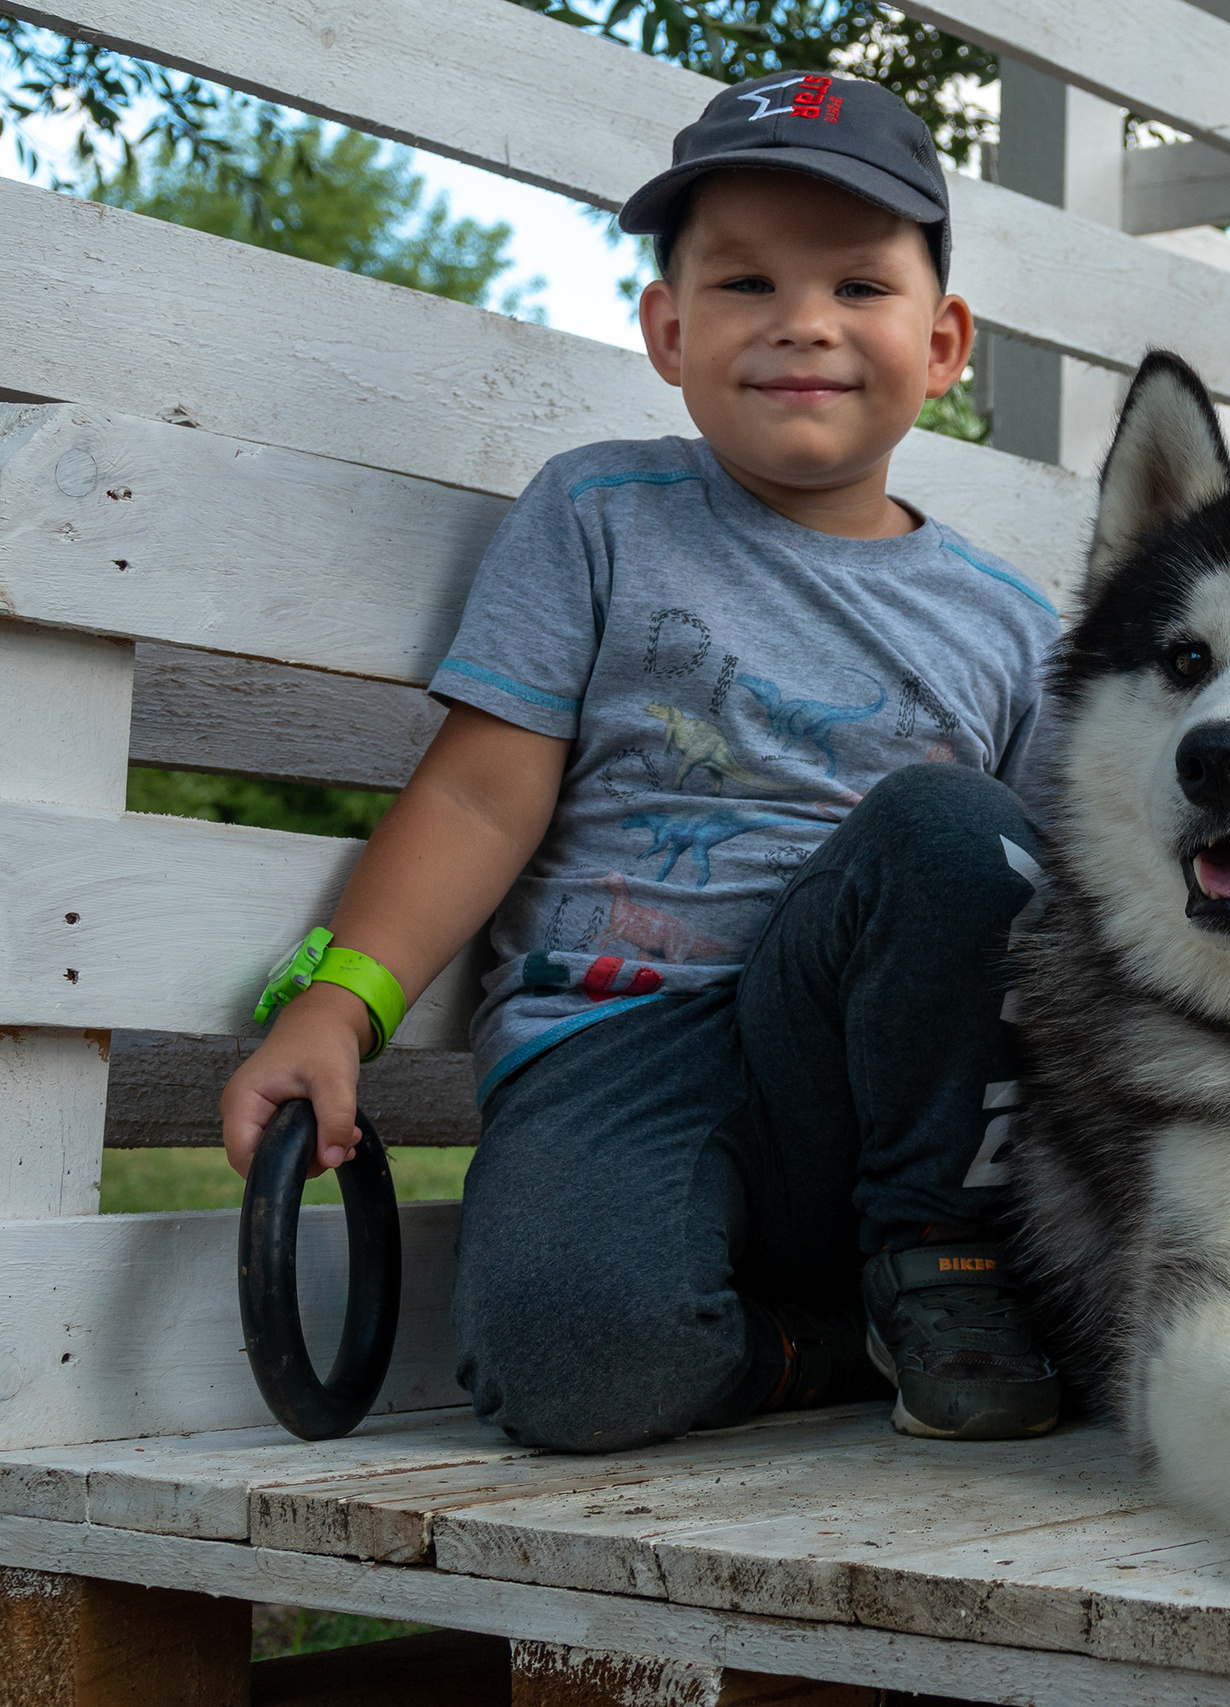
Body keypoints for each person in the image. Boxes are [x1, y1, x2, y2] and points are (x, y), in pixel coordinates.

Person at [220, 71, 1064, 1452]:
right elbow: (481, 794)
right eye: (745, 285)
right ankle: (831, 1342)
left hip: (879, 1086)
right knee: (570, 1369)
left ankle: (939, 1263)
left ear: (946, 341)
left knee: (955, 836)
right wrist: (339, 1005)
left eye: (860, 287)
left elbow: (1049, 924)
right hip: (619, 1044)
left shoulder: (1013, 626)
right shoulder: (601, 515)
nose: (804, 322)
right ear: (668, 332)